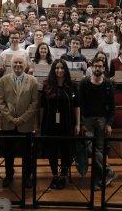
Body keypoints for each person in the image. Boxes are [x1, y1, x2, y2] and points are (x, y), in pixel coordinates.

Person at [0, 55, 39, 188]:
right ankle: (9, 175)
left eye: (20, 62)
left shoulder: (33, 81)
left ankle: (26, 177)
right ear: (11, 64)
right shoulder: (3, 80)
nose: (18, 65)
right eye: (15, 62)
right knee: (8, 152)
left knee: (27, 154)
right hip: (8, 124)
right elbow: (1, 102)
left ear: (25, 64)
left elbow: (34, 103)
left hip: (25, 124)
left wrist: (21, 119)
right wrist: (11, 118)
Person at [41, 59, 80, 190]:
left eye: (62, 68)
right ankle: (55, 175)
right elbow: (42, 107)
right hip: (50, 122)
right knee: (52, 150)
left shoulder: (72, 85)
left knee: (66, 150)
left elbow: (77, 106)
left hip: (67, 122)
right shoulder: (47, 85)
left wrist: (78, 124)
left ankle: (63, 176)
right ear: (53, 70)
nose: (59, 70)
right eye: (57, 68)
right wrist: (39, 124)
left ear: (65, 70)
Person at [78, 58, 116, 189]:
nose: (97, 68)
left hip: (101, 120)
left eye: (100, 66)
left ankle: (97, 181)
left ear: (104, 68)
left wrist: (109, 123)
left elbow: (112, 106)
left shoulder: (107, 84)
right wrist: (81, 123)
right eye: (95, 66)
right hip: (87, 120)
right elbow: (79, 105)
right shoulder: (84, 83)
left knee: (98, 150)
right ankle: (108, 170)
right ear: (91, 67)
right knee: (91, 146)